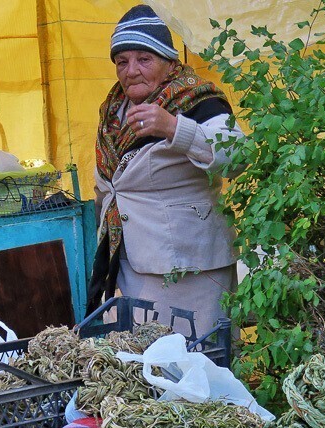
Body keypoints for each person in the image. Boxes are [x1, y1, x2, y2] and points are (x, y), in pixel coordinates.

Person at [87, 4, 244, 339]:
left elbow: (239, 157)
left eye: (144, 59)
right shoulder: (113, 111)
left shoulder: (197, 101)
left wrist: (174, 128)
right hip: (131, 265)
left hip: (188, 268)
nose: (131, 70)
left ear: (170, 61)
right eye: (122, 61)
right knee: (145, 372)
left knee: (196, 368)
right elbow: (110, 186)